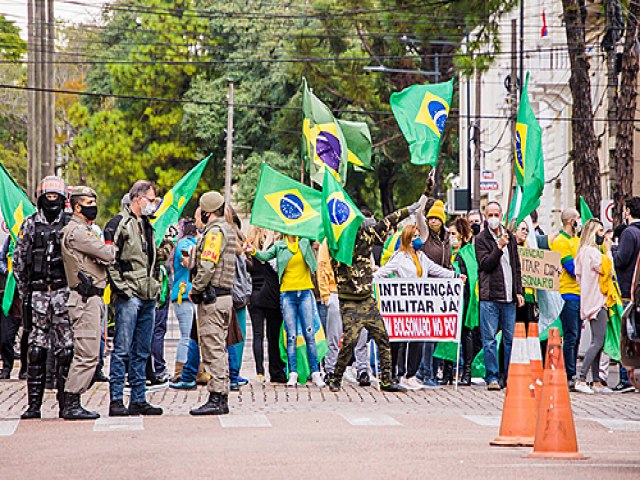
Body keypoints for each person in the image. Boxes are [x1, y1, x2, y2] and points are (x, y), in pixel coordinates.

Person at [327, 195, 426, 393]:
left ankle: (387, 381)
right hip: (349, 300)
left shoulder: (366, 237)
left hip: (367, 299)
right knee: (350, 341)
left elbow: (388, 221)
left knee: (383, 337)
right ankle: (336, 378)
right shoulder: (338, 246)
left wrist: (410, 209)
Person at [374, 225, 463, 390]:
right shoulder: (399, 257)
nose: (417, 240)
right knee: (398, 341)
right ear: (407, 239)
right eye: (414, 236)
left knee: (417, 340)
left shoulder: (422, 257)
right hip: (402, 305)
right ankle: (395, 374)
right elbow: (382, 273)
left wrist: (455, 276)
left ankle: (411, 374)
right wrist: (372, 280)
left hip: (419, 306)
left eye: (418, 236)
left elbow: (436, 270)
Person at [13, 176, 73, 419]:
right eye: (48, 197)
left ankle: (66, 404)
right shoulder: (30, 225)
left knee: (66, 350)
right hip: (38, 294)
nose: (52, 201)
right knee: (36, 349)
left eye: (55, 197)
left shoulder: (70, 225)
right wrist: (27, 292)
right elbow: (18, 262)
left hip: (63, 294)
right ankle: (33, 406)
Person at [105, 180, 164, 417]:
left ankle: (138, 398)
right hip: (130, 295)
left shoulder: (147, 225)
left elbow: (152, 259)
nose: (153, 204)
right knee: (122, 349)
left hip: (148, 294)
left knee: (142, 350)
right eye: (151, 200)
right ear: (138, 198)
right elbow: (110, 258)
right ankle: (116, 398)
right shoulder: (119, 223)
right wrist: (123, 289)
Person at [60, 186, 116, 420]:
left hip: (92, 298)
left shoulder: (85, 230)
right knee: (87, 353)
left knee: (90, 352)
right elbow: (109, 255)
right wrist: (105, 252)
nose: (93, 206)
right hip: (85, 299)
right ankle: (71, 401)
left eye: (94, 201)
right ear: (77, 206)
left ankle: (72, 400)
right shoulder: (77, 232)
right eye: (88, 202)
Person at [248, 234, 325, 388]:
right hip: (287, 293)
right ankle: (293, 373)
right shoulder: (279, 246)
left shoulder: (304, 242)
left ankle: (315, 372)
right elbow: (265, 256)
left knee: (309, 333)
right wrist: (253, 251)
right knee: (291, 336)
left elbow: (315, 236)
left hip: (304, 292)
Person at [188, 191, 237, 415]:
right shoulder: (228, 229)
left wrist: (195, 288)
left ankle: (217, 396)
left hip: (212, 298)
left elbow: (207, 266)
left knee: (212, 348)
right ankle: (221, 395)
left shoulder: (215, 232)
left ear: (207, 212)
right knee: (219, 348)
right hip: (224, 296)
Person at [475, 201, 524, 391]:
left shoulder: (509, 236)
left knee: (509, 340)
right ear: (485, 217)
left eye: (496, 214)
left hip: (509, 297)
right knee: (489, 340)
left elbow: (516, 266)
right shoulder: (481, 239)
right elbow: (486, 264)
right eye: (490, 215)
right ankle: (492, 377)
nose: (494, 218)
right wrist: (499, 247)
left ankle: (508, 375)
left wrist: (519, 291)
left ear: (501, 216)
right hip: (490, 297)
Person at [318, 239, 370, 387]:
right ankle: (330, 369)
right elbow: (322, 266)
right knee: (334, 334)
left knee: (362, 333)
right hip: (336, 292)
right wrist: (325, 294)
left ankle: (362, 370)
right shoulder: (329, 241)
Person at [574, 219, 614, 394]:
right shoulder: (592, 253)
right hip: (598, 301)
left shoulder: (582, 252)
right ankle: (581, 378)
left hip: (589, 300)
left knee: (597, 341)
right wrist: (609, 250)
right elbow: (607, 268)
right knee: (598, 341)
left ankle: (596, 380)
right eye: (599, 231)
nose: (602, 234)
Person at [246, 226, 287, 383]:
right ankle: (275, 371)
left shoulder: (250, 251)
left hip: (254, 296)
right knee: (273, 335)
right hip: (271, 296)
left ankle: (259, 371)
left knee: (257, 335)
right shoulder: (272, 250)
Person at [550, 207, 581, 389]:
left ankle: (572, 371)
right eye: (577, 218)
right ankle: (569, 373)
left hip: (580, 293)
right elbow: (572, 267)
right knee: (571, 334)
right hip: (567, 293)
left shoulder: (577, 241)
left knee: (576, 336)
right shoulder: (560, 241)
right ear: (571, 221)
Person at [612, 196, 640, 392]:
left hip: (627, 289)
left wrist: (612, 250)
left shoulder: (629, 233)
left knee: (626, 333)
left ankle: (626, 377)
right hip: (637, 289)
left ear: (628, 211)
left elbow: (621, 260)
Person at [453, 216, 482, 386]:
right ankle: (450, 372)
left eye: (454, 234)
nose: (451, 237)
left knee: (466, 334)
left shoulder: (469, 253)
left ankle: (467, 371)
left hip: (465, 298)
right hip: (452, 298)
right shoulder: (450, 252)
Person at [226, 207, 251, 391]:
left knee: (231, 337)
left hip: (229, 294)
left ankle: (231, 375)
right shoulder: (239, 238)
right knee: (239, 335)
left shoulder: (224, 238)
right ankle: (234, 373)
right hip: (241, 294)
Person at [171, 218, 198, 381]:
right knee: (187, 335)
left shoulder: (186, 242)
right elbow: (187, 260)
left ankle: (196, 369)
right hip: (184, 295)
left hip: (190, 295)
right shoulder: (185, 244)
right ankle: (180, 371)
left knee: (193, 337)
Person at [0, 236, 24, 380]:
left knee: (29, 338)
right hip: (11, 296)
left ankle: (26, 370)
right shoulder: (11, 239)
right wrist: (9, 273)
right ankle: (7, 367)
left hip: (28, 295)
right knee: (6, 337)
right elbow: (2, 259)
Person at [514, 221, 537, 329]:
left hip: (528, 296)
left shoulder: (530, 251)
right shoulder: (508, 250)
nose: (525, 232)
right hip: (513, 297)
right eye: (522, 229)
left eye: (527, 230)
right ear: (514, 231)